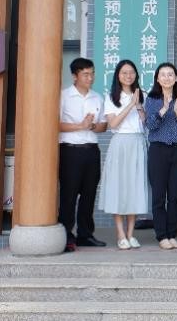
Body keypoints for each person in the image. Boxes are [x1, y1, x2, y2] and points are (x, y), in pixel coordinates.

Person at [99, 60, 150, 250]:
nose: (128, 76)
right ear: (118, 76)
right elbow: (113, 124)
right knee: (118, 187)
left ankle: (131, 234)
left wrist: (139, 106)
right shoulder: (111, 97)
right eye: (124, 73)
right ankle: (120, 234)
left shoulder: (142, 95)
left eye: (131, 72)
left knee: (135, 187)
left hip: (138, 142)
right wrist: (130, 105)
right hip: (120, 143)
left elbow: (146, 123)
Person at [58, 58, 108, 252]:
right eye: (85, 74)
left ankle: (85, 234)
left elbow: (103, 126)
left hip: (91, 151)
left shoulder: (97, 98)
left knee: (89, 194)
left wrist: (93, 126)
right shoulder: (64, 96)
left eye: (92, 73)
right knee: (69, 195)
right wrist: (80, 125)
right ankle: (66, 235)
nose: (90, 78)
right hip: (70, 150)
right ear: (74, 76)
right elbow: (55, 124)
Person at [144, 62, 177, 250]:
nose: (167, 77)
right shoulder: (151, 99)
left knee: (175, 195)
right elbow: (151, 126)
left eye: (170, 74)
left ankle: (172, 234)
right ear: (157, 78)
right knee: (158, 195)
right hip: (158, 150)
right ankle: (161, 235)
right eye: (163, 74)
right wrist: (163, 110)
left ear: (176, 77)